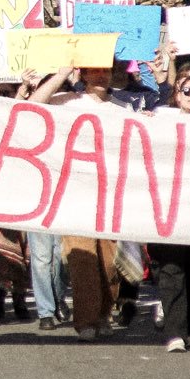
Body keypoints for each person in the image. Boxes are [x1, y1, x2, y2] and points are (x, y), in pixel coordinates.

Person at [28, 61, 133, 342]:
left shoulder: (122, 109)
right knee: (83, 260)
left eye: (105, 70)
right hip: (74, 194)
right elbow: (32, 105)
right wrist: (61, 73)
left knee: (109, 263)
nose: (101, 75)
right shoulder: (67, 101)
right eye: (94, 70)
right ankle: (85, 320)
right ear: (83, 74)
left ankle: (103, 312)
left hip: (110, 197)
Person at [146, 76, 190, 352]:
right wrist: (146, 121)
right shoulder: (160, 118)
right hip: (167, 205)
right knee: (171, 267)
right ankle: (174, 331)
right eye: (187, 91)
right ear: (176, 94)